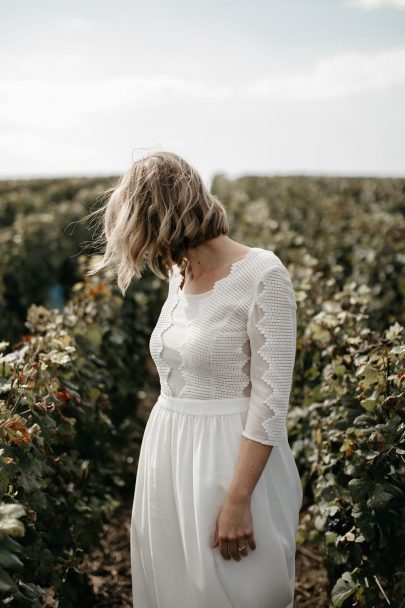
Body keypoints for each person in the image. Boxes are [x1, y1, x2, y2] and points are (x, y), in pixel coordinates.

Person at [87, 150, 303, 608]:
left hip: (230, 459)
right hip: (167, 451)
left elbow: (270, 401)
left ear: (162, 216)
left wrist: (239, 499)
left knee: (242, 589)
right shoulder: (178, 273)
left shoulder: (264, 274)